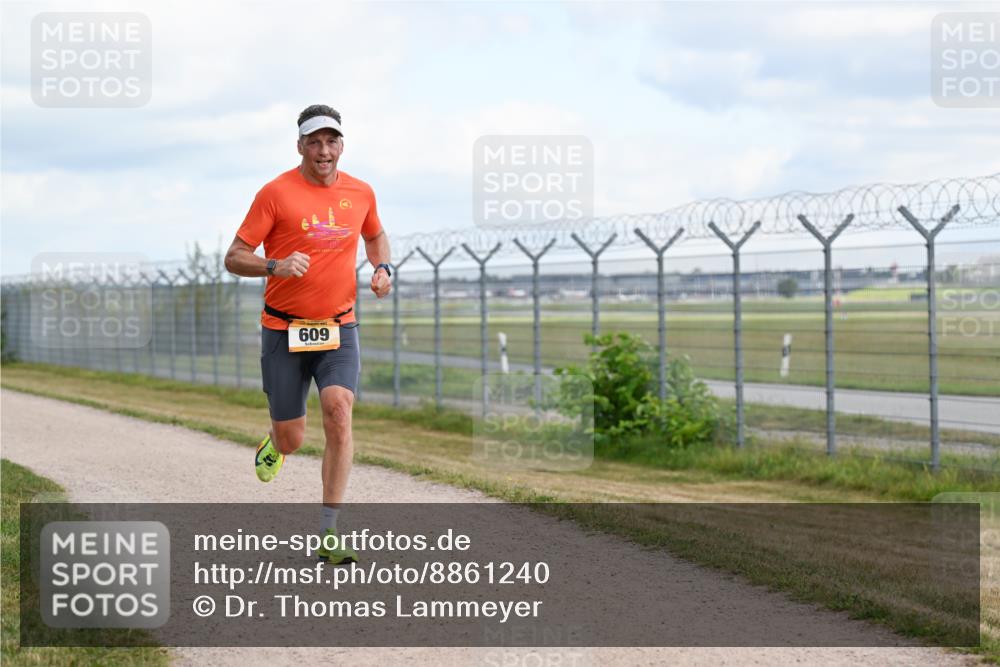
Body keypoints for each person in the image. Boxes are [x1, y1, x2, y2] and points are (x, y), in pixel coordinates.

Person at [224, 104, 392, 564]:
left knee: (339, 411)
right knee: (292, 438)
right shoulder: (275, 194)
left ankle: (329, 532)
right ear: (299, 146)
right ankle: (275, 443)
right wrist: (274, 264)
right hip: (283, 329)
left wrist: (382, 267)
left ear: (342, 144)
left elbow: (375, 236)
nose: (324, 150)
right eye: (314, 141)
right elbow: (234, 257)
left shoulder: (360, 192)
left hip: (339, 326)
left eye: (331, 140)